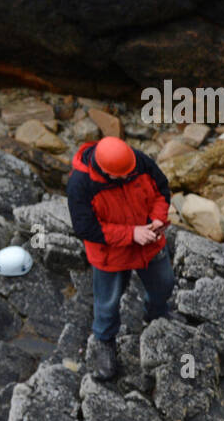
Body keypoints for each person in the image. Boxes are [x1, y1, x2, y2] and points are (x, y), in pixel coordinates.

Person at [67, 135, 175, 381]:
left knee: (164, 285)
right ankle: (105, 343)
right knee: (107, 303)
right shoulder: (80, 184)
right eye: (121, 176)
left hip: (149, 240)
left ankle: (156, 315)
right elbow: (86, 228)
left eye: (129, 172)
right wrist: (131, 234)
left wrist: (158, 218)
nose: (128, 176)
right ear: (104, 171)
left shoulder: (137, 161)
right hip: (111, 253)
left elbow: (162, 189)